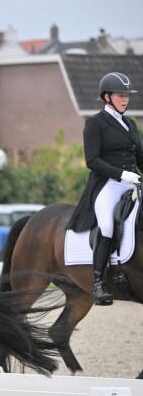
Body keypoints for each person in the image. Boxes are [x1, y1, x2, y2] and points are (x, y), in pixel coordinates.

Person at [67, 72, 142, 305]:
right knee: (107, 224)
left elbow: (139, 156)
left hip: (131, 184)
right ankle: (99, 283)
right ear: (106, 97)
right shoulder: (95, 123)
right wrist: (122, 174)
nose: (125, 99)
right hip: (107, 185)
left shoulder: (130, 124)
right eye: (120, 95)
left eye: (127, 95)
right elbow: (92, 160)